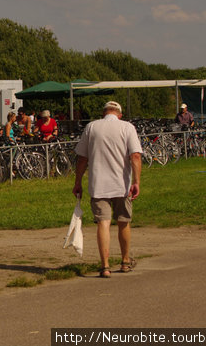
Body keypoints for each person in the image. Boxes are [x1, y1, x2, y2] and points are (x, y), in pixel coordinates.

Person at [72, 101, 142, 278]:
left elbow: (82, 158)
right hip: (122, 184)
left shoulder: (92, 127)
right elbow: (135, 156)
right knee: (123, 221)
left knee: (103, 223)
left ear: (104, 113)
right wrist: (136, 182)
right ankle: (125, 262)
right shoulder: (127, 127)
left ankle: (105, 266)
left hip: (98, 184)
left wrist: (78, 182)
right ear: (119, 114)